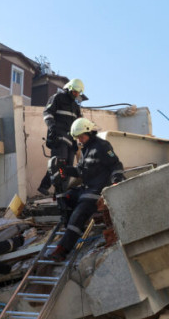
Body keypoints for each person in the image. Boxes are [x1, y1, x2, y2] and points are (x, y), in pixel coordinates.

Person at [50, 118, 125, 261]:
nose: (80, 140)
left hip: (97, 191)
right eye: (78, 138)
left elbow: (116, 165)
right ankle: (72, 229)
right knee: (65, 198)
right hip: (86, 189)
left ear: (89, 132)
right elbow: (80, 171)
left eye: (81, 137)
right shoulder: (85, 150)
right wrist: (64, 170)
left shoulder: (102, 146)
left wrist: (116, 181)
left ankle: (62, 250)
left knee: (79, 213)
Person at [37, 78, 85, 196]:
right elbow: (47, 113)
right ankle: (44, 186)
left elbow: (79, 123)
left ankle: (60, 193)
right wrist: (52, 127)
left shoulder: (75, 106)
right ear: (69, 89)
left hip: (71, 140)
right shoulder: (57, 97)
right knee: (58, 163)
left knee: (67, 168)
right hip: (58, 136)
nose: (76, 95)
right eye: (74, 92)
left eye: (78, 93)